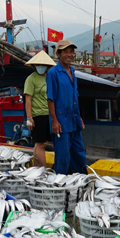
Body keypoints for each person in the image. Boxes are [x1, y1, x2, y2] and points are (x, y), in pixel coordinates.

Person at [46, 39, 87, 174]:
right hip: (61, 121)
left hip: (74, 120)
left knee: (79, 154)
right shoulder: (53, 73)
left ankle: (81, 182)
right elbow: (51, 98)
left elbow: (75, 96)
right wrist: (54, 121)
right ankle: (59, 184)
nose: (69, 55)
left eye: (71, 52)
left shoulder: (73, 71)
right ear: (58, 54)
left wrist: (79, 117)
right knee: (63, 156)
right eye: (66, 52)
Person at [23, 51, 55, 167]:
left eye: (43, 65)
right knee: (41, 144)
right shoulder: (31, 79)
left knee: (39, 143)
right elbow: (28, 99)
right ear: (34, 66)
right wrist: (29, 118)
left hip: (49, 114)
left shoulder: (49, 78)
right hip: (37, 115)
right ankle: (43, 169)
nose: (41, 67)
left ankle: (37, 168)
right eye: (38, 65)